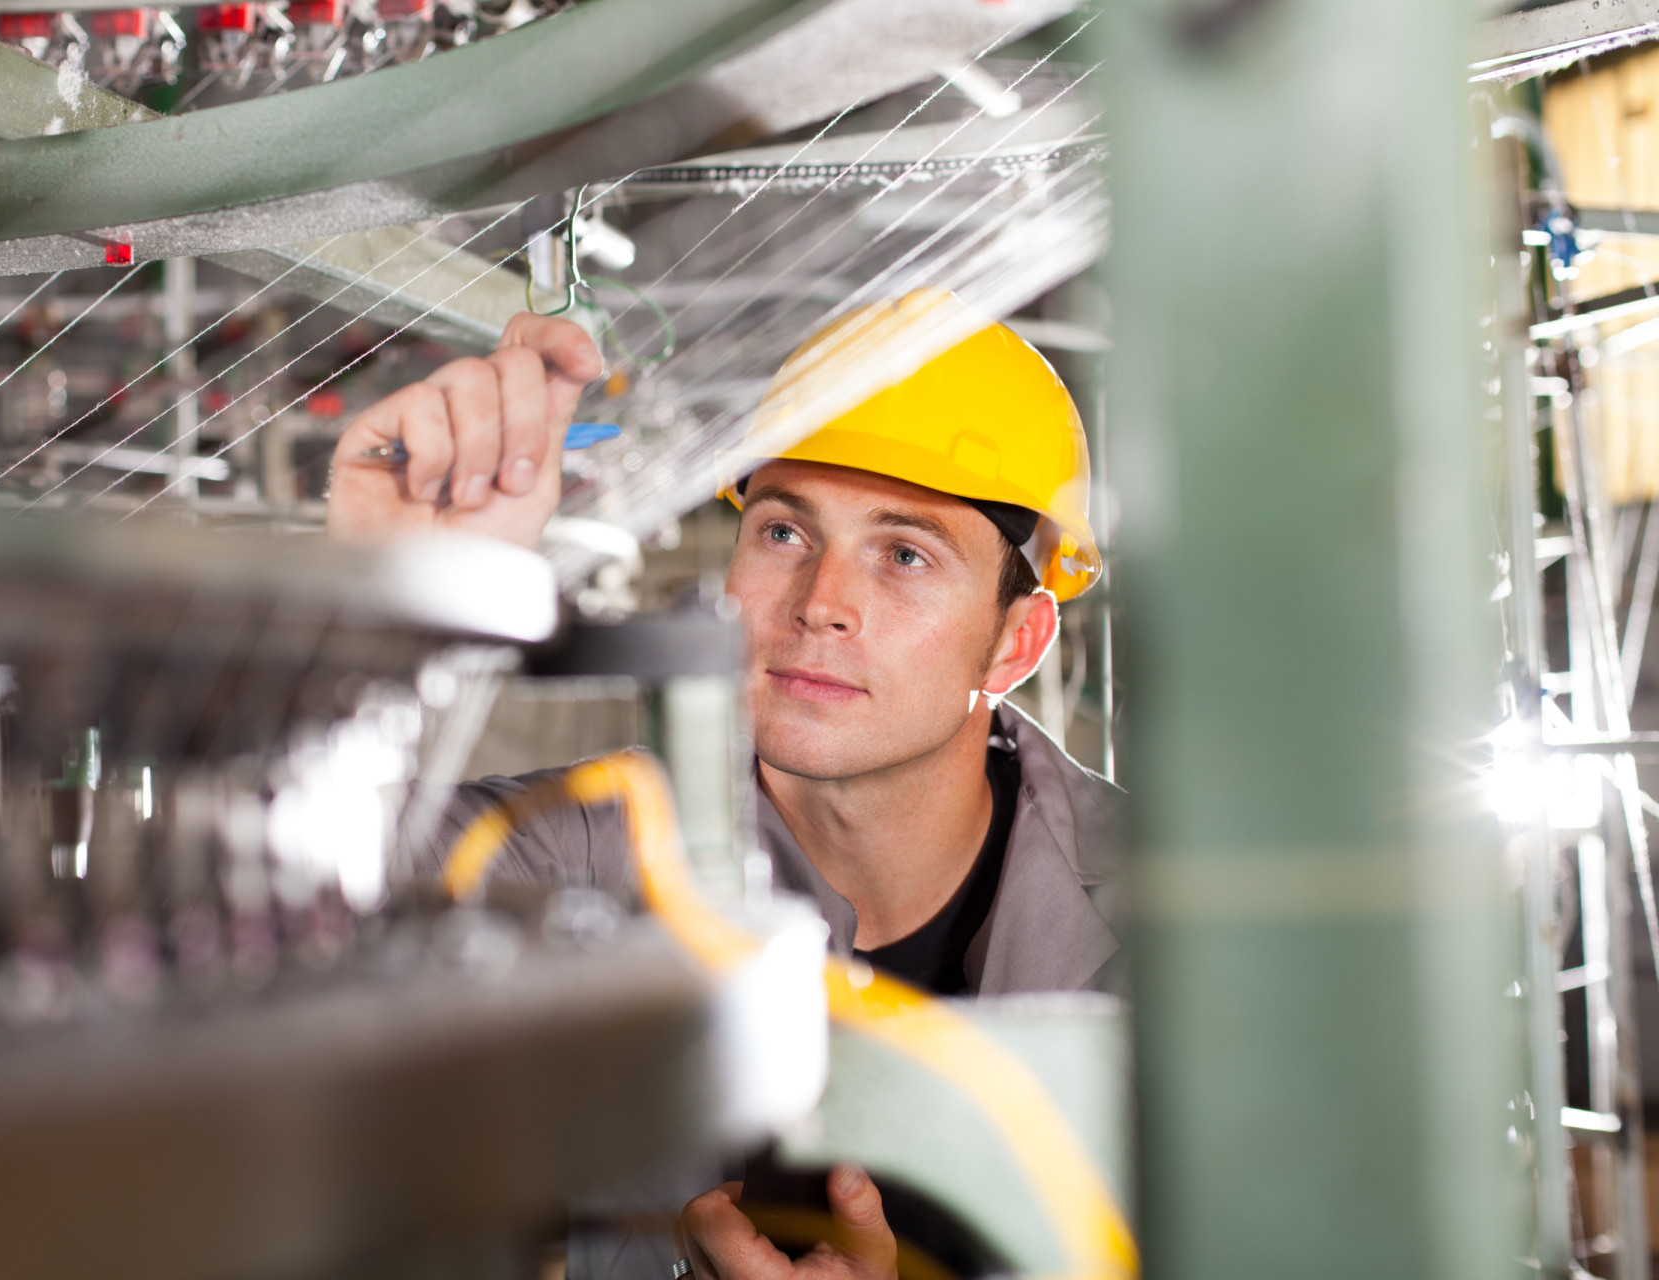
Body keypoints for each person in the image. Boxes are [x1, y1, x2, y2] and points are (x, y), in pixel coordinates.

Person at [328, 289, 1121, 1280]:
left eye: (904, 553)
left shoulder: (1178, 912)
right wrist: (392, 604)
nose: (818, 604)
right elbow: (278, 888)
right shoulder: (578, 851)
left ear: (1017, 640)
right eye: (786, 532)